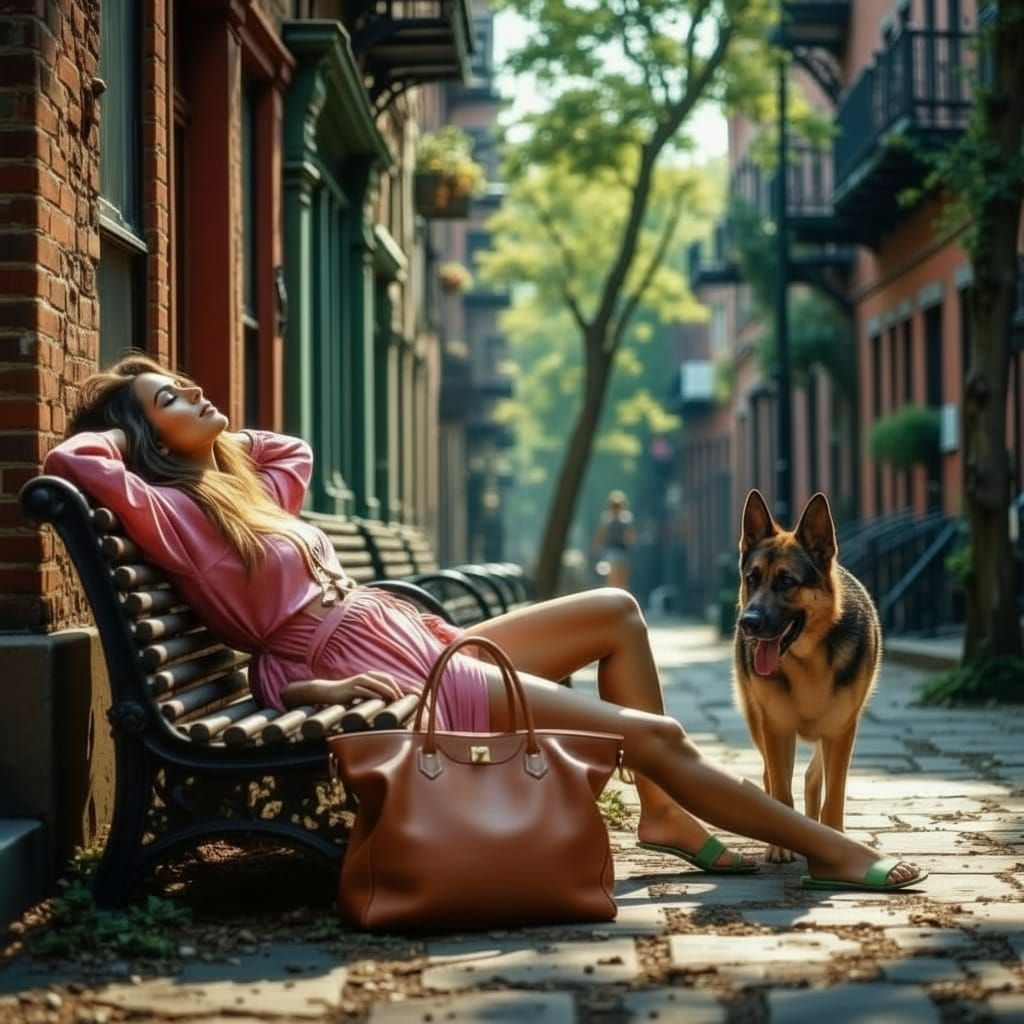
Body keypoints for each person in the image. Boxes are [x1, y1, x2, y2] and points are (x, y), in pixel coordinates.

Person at [43, 354, 927, 892]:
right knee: (651, 731)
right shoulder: (175, 514)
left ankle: (662, 816)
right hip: (372, 661)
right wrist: (128, 426)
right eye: (172, 396)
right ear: (143, 438)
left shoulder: (241, 492)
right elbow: (69, 457)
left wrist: (202, 434)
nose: (196, 393)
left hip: (398, 629)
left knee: (617, 613)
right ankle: (828, 849)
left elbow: (290, 452)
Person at [593, 490, 636, 590]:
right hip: (610, 551)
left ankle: (621, 595)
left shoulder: (627, 519)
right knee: (613, 575)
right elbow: (601, 535)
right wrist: (597, 547)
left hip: (623, 551)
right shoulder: (606, 519)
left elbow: (631, 536)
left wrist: (628, 538)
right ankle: (612, 596)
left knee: (623, 577)